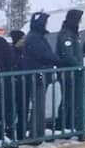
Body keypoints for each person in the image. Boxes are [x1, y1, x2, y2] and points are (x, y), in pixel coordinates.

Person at [24, 12, 61, 140]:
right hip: (38, 75)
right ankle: (36, 133)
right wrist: (58, 59)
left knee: (39, 105)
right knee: (38, 106)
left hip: (39, 74)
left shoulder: (36, 36)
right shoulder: (35, 38)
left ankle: (38, 132)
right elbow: (43, 54)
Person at [55, 9, 84, 131]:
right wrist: (78, 65)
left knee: (73, 99)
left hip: (73, 72)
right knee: (68, 99)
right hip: (68, 73)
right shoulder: (66, 34)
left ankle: (70, 124)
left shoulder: (73, 33)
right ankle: (64, 124)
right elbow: (68, 55)